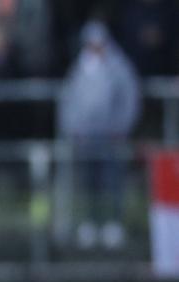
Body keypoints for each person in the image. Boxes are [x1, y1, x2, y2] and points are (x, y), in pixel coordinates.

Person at [58, 21, 140, 250]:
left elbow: (129, 99)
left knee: (111, 181)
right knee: (87, 182)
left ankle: (112, 222)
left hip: (110, 135)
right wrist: (72, 128)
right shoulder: (80, 68)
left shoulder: (118, 66)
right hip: (85, 137)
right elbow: (69, 101)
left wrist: (121, 127)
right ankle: (89, 222)